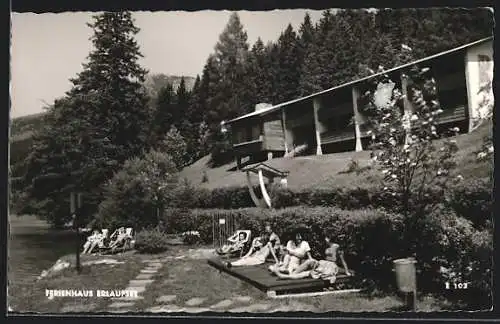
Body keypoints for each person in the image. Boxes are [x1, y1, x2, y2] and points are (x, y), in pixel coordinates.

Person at [270, 234, 352, 283]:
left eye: (326, 237)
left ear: (329, 238)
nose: (325, 239)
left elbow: (342, 260)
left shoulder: (337, 247)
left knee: (308, 273)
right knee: (310, 261)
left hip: (331, 266)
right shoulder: (327, 247)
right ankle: (291, 274)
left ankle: (286, 276)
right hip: (323, 263)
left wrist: (347, 271)